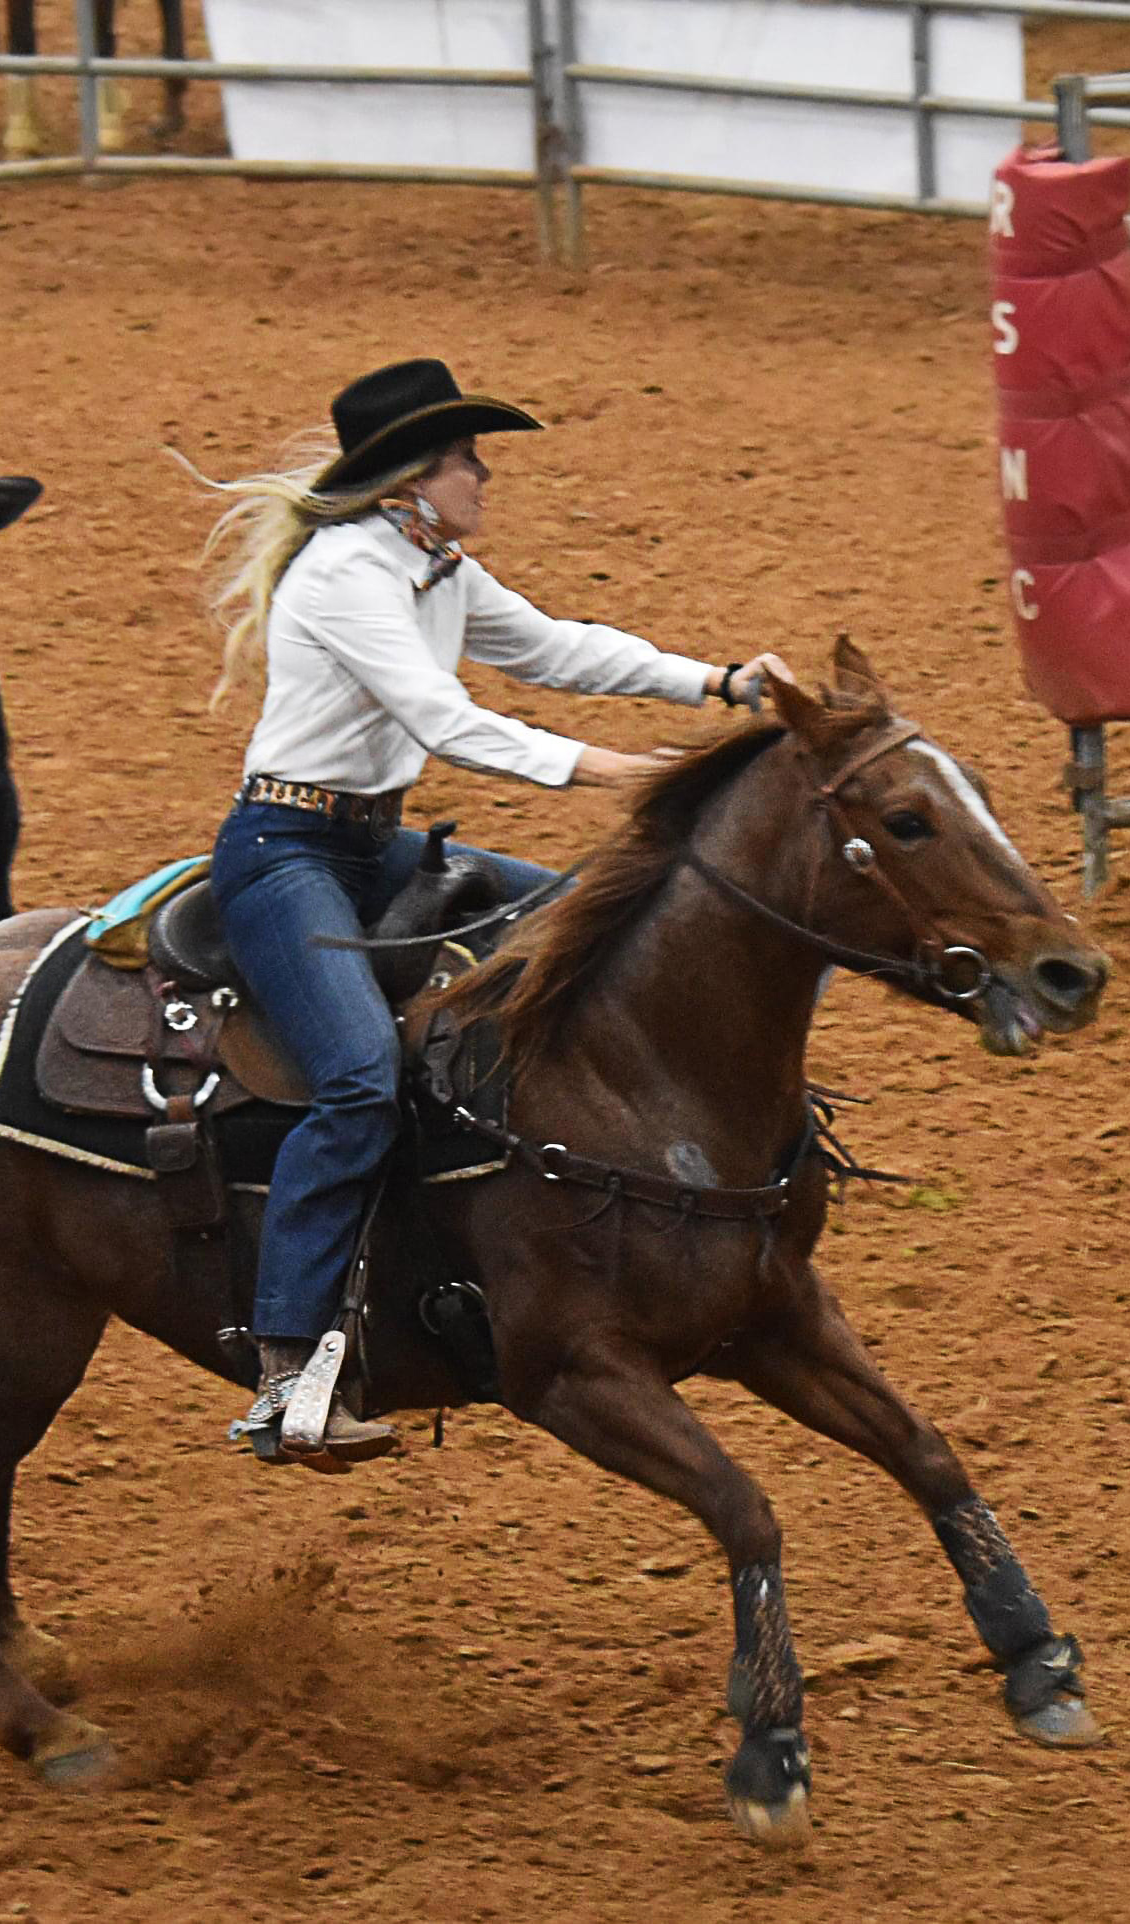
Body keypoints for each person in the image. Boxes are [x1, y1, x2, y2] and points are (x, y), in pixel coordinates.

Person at [195, 358, 792, 1472]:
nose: (483, 475)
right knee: (359, 1074)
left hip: (371, 848)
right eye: (468, 456)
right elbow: (442, 714)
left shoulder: (435, 571)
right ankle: (287, 1371)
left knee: (586, 925)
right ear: (410, 481)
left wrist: (714, 682)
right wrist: (605, 769)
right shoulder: (345, 575)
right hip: (284, 853)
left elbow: (557, 646)